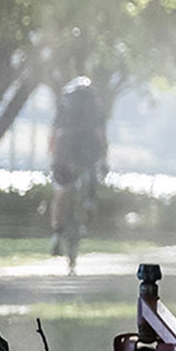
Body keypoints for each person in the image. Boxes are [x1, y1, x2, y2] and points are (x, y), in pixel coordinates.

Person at [49, 76, 108, 274]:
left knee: (61, 192)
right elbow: (101, 136)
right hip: (87, 155)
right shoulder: (96, 108)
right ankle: (89, 201)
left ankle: (56, 234)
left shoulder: (64, 106)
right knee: (89, 178)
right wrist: (104, 160)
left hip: (64, 154)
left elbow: (54, 135)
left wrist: (54, 158)